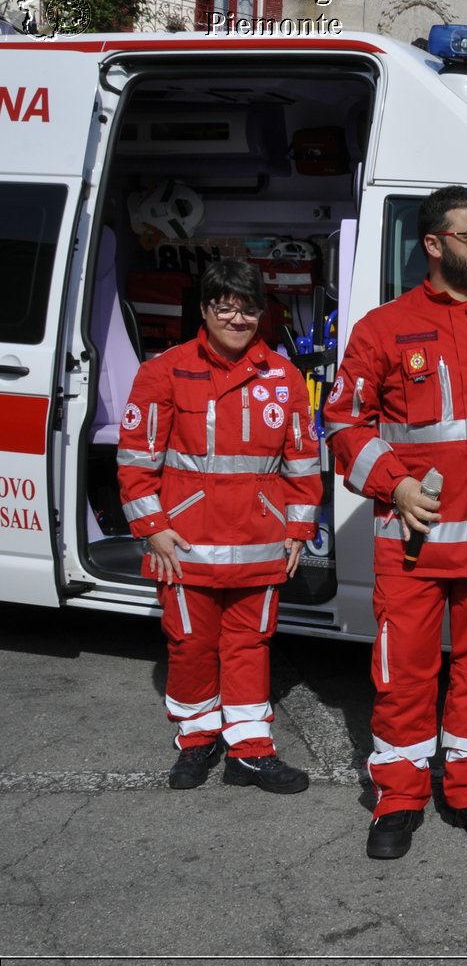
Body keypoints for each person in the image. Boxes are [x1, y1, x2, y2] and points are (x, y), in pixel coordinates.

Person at [324, 185, 467, 860]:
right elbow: (341, 421)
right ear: (433, 243)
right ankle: (399, 796)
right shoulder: (383, 329)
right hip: (415, 546)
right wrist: (394, 480)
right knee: (405, 676)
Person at [117, 257, 319, 794]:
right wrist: (153, 528)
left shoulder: (283, 375)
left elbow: (302, 463)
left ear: (262, 314)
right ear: (205, 310)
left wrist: (298, 530)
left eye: (248, 308)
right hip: (183, 544)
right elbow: (137, 461)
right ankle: (197, 739)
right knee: (189, 645)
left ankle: (250, 751)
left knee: (251, 644)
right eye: (225, 307)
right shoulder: (164, 371)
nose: (237, 318)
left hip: (260, 542)